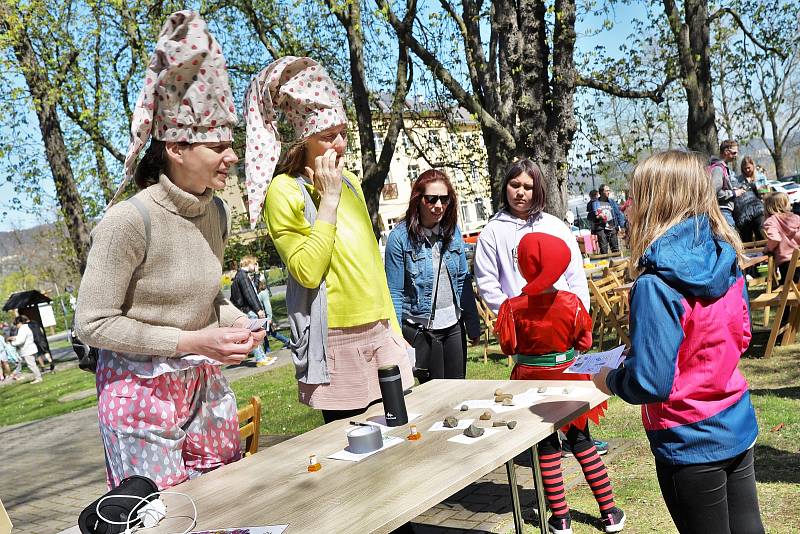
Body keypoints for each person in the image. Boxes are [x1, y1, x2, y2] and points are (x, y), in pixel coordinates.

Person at [75, 11, 264, 490]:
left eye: (233, 142)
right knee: (161, 515)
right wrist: (191, 342)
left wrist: (237, 324)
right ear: (177, 148)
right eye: (219, 145)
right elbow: (92, 323)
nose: (234, 155)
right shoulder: (128, 222)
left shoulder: (216, 213)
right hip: (137, 392)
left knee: (226, 497)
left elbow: (202, 300)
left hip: (201, 383)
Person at [593, 150, 764, 534]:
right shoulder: (728, 256)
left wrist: (610, 380)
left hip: (687, 438)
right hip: (735, 420)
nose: (628, 208)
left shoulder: (655, 284)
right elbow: (744, 334)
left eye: (634, 196)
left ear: (654, 200)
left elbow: (651, 382)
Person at [245, 56, 413, 424]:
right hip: (337, 339)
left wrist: (395, 331)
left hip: (381, 331)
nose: (339, 145)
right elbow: (307, 270)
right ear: (303, 144)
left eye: (342, 133)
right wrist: (329, 202)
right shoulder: (284, 191)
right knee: (355, 449)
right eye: (327, 137)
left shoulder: (349, 180)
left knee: (403, 438)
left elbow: (371, 266)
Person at [494, 232, 624, 534]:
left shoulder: (512, 307)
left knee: (547, 447)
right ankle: (609, 513)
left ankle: (561, 518)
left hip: (529, 384)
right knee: (583, 443)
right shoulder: (572, 303)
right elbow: (585, 340)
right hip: (568, 380)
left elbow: (509, 346)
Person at [385, 169, 473, 381]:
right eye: (431, 199)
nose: (438, 205)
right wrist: (397, 337)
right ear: (418, 200)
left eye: (444, 199)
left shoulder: (452, 232)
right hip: (421, 330)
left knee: (457, 388)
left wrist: (471, 320)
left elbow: (462, 279)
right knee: (434, 392)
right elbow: (394, 293)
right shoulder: (399, 239)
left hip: (453, 325)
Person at [230, 255, 271, 365]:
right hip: (249, 309)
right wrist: (258, 309)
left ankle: (262, 356)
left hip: (250, 309)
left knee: (256, 333)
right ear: (248, 263)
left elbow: (254, 290)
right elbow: (249, 295)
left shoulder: (244, 276)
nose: (256, 265)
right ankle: (260, 359)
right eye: (254, 263)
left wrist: (257, 274)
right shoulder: (242, 276)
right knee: (253, 334)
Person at [762, 192, 800, 283]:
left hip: (786, 262)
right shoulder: (796, 218)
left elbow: (775, 239)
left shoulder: (771, 221)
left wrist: (768, 249)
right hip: (798, 258)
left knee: (787, 286)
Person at [733, 156, 765, 243]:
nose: (747, 170)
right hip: (743, 214)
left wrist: (760, 189)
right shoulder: (737, 180)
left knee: (761, 235)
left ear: (753, 166)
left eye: (749, 168)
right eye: (744, 169)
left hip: (759, 211)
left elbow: (765, 193)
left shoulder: (760, 177)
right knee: (746, 239)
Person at [710, 139, 741, 227]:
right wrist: (734, 193)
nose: (736, 155)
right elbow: (714, 192)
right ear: (726, 151)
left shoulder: (723, 168)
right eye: (734, 153)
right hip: (723, 211)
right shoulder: (718, 169)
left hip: (724, 211)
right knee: (728, 239)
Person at [257, 276, 291, 354]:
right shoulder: (259, 292)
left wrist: (269, 318)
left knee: (267, 333)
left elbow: (267, 306)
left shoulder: (263, 293)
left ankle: (269, 350)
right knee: (268, 333)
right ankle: (286, 341)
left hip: (265, 317)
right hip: (261, 318)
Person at [587, 184, 626, 254]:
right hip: (601, 229)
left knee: (615, 249)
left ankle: (616, 263)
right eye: (607, 191)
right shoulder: (594, 203)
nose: (609, 192)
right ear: (601, 192)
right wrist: (597, 216)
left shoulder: (611, 202)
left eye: (609, 191)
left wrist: (622, 226)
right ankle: (604, 264)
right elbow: (589, 216)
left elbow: (618, 213)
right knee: (604, 250)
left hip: (612, 228)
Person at [9, 316, 43, 384]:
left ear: (19, 323)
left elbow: (21, 341)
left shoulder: (22, 329)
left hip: (27, 350)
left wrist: (12, 343)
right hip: (30, 348)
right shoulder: (25, 328)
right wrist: (15, 338)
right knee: (33, 364)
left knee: (31, 365)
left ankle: (38, 378)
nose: (16, 326)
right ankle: (38, 377)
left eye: (16, 324)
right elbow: (21, 337)